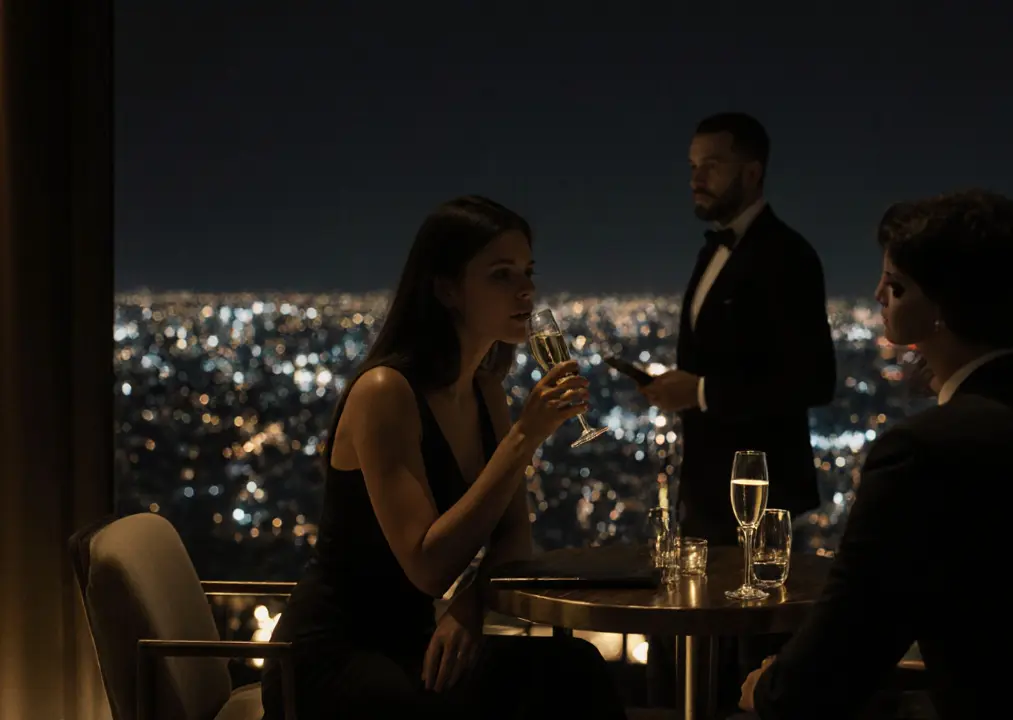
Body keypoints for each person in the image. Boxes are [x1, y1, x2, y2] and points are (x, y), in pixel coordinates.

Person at [738, 189, 1013, 719]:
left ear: (942, 308)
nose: (877, 294)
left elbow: (834, 660)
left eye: (895, 286)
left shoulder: (923, 454)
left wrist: (765, 689)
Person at [261, 196, 627, 719]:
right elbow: (428, 566)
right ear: (447, 289)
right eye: (501, 275)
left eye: (528, 271)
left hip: (418, 640)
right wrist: (525, 438)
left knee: (575, 666)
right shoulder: (386, 391)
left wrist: (473, 605)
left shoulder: (486, 391)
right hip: (336, 656)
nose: (526, 289)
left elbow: (514, 541)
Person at [639, 112, 836, 711]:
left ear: (753, 172)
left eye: (712, 165)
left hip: (756, 490)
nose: (696, 178)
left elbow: (812, 379)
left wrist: (697, 393)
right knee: (703, 643)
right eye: (692, 166)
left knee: (744, 649)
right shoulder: (716, 252)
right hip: (706, 487)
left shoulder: (787, 256)